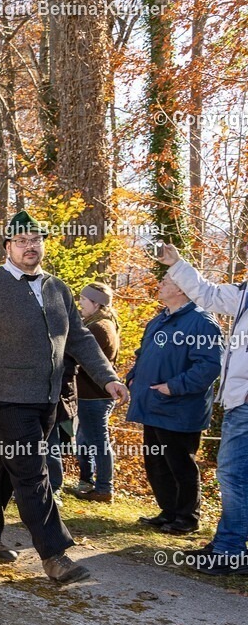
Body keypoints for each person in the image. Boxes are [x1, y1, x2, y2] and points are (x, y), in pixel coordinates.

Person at [0, 210, 129, 584]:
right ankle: (55, 554)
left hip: (45, 399)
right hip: (2, 399)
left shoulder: (57, 288)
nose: (30, 248)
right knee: (32, 471)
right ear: (7, 247)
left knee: (6, 464)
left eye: (35, 241)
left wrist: (108, 378)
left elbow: (79, 339)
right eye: (21, 242)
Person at [156, 244, 248, 575]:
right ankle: (229, 541)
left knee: (233, 473)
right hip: (239, 401)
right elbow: (207, 294)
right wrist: (178, 264)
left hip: (245, 403)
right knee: (236, 475)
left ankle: (230, 549)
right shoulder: (244, 292)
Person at [126, 273, 221, 535]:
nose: (159, 285)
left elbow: (210, 365)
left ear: (182, 289)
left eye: (166, 282)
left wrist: (173, 387)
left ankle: (187, 518)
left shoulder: (201, 322)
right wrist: (132, 377)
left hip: (179, 409)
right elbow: (142, 354)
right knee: (157, 463)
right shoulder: (160, 319)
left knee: (180, 464)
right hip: (152, 406)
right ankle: (168, 512)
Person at [74, 282, 122, 502]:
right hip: (89, 394)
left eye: (84, 300)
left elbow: (86, 360)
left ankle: (104, 488)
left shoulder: (99, 328)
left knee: (98, 442)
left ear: (96, 303)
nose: (80, 304)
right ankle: (88, 481)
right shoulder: (97, 324)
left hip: (95, 396)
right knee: (84, 439)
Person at [46, 356, 78, 506]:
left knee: (51, 447)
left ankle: (53, 488)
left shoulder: (64, 335)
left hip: (56, 399)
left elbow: (68, 368)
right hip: (30, 398)